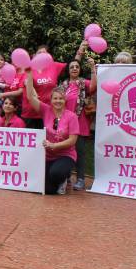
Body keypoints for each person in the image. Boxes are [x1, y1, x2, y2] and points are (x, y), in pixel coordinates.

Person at [24, 67, 80, 195]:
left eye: (60, 98)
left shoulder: (71, 116)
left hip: (65, 155)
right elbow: (30, 97)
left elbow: (72, 141)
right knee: (46, 190)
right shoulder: (46, 110)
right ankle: (56, 181)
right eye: (55, 98)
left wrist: (54, 145)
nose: (58, 101)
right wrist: (30, 75)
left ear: (64, 100)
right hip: (47, 156)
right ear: (51, 100)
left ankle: (63, 179)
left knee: (56, 173)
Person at [60, 58, 97, 190]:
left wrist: (93, 68)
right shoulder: (63, 85)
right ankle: (67, 176)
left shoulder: (82, 83)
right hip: (65, 123)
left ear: (80, 69)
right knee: (65, 151)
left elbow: (93, 86)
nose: (74, 68)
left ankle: (80, 178)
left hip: (80, 123)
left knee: (79, 152)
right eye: (72, 67)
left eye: (77, 66)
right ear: (68, 70)